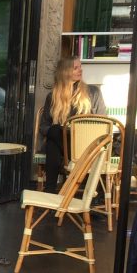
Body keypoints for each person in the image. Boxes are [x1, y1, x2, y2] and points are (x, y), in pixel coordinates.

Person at [40, 56, 106, 193]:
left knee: (53, 139)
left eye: (80, 67)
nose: (80, 70)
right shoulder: (52, 96)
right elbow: (44, 126)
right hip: (63, 145)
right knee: (54, 132)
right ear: (64, 72)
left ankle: (50, 190)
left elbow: (103, 122)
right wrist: (61, 131)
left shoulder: (93, 92)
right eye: (75, 67)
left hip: (87, 145)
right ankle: (54, 189)